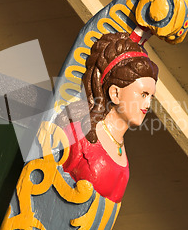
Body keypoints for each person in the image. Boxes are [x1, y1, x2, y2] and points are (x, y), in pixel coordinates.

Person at [61, 31, 159, 203]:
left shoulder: (122, 151)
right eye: (143, 94)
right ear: (115, 93)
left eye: (151, 97)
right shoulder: (77, 136)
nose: (148, 105)